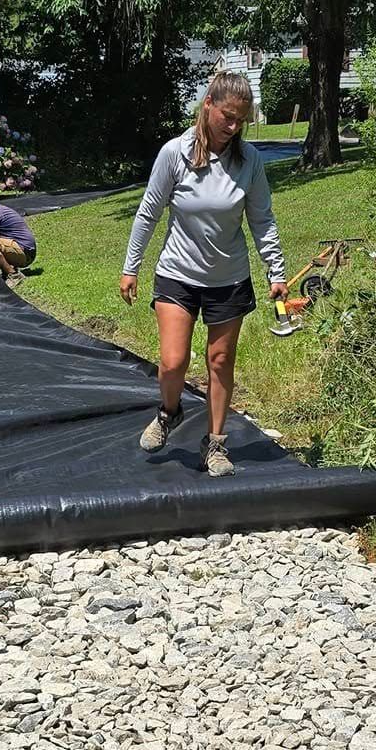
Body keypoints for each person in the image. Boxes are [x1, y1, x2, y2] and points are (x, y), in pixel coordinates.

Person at [119, 69, 287, 477]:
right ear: (207, 105)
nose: (233, 127)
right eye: (227, 116)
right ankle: (169, 411)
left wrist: (276, 271)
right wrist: (131, 267)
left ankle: (215, 443)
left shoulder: (249, 163)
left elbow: (262, 219)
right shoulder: (174, 154)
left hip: (228, 279)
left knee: (220, 359)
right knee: (173, 362)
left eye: (241, 121)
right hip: (177, 273)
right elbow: (148, 212)